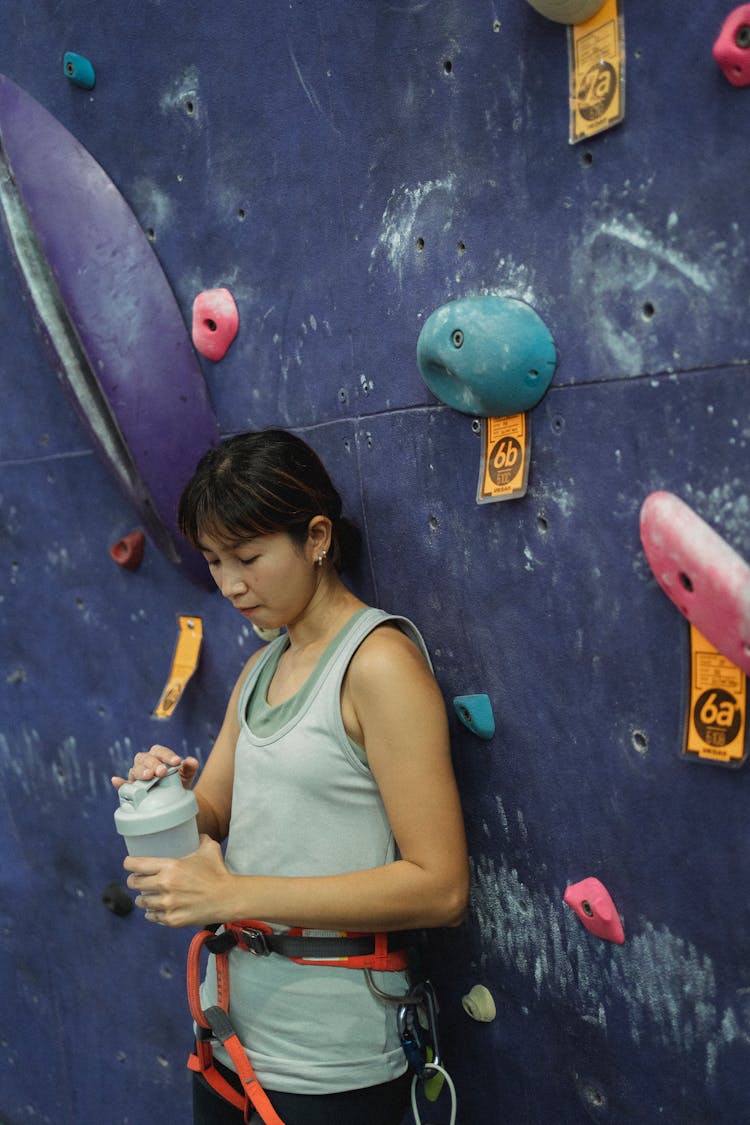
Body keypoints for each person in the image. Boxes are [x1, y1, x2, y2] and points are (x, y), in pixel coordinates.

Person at [112, 429, 469, 1125]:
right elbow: (214, 807)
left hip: (330, 1064)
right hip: (231, 1045)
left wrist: (234, 891)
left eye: (248, 557)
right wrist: (169, 792)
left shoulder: (378, 665)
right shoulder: (262, 666)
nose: (231, 584)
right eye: (215, 561)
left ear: (315, 537)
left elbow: (441, 885)